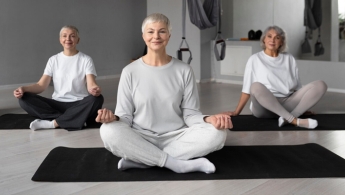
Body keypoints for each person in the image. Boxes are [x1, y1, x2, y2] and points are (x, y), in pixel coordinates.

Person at [96, 13, 232, 174]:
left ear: (169, 35)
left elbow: (191, 115)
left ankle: (144, 159)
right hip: (141, 136)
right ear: (143, 36)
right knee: (107, 130)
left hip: (177, 137)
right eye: (150, 31)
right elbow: (124, 116)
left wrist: (209, 119)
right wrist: (113, 118)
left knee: (218, 133)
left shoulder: (184, 70)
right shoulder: (129, 72)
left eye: (162, 31)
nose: (156, 36)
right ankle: (177, 164)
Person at [221, 25, 327, 129]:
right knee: (255, 86)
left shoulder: (289, 58)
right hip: (264, 108)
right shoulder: (255, 59)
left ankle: (289, 117)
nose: (273, 40)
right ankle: (294, 120)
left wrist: (303, 107)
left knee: (321, 85)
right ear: (263, 40)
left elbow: (298, 87)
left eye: (277, 37)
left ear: (281, 42)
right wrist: (236, 112)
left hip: (287, 104)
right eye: (269, 36)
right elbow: (247, 90)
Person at [13, 25, 104, 131]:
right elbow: (41, 86)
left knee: (97, 99)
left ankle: (53, 123)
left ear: (78, 40)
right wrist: (23, 89)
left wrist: (95, 90)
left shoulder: (86, 59)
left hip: (79, 103)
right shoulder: (53, 60)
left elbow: (91, 84)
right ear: (60, 40)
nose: (68, 39)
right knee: (24, 99)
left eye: (72, 36)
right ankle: (75, 118)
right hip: (57, 104)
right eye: (64, 36)